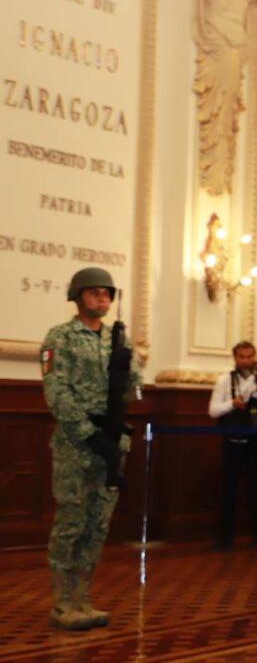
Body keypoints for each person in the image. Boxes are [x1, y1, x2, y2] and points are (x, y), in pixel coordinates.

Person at [41, 267, 141, 630]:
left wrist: (128, 373)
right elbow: (56, 392)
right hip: (76, 445)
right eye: (95, 292)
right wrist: (88, 433)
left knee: (98, 525)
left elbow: (136, 392)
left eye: (107, 293)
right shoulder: (61, 337)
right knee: (71, 523)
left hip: (112, 443)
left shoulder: (120, 342)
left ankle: (83, 596)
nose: (103, 299)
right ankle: (62, 602)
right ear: (78, 295)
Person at [208, 341, 257, 549]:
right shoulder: (224, 381)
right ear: (235, 358)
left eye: (249, 356)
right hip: (233, 442)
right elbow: (213, 410)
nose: (246, 361)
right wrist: (232, 404)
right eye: (241, 357)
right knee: (228, 490)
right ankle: (224, 538)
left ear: (255, 357)